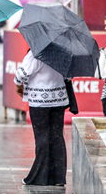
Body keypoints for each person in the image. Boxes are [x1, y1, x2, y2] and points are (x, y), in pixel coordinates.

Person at [14, 50, 68, 186]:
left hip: (39, 102)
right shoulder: (63, 52)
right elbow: (69, 76)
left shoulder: (36, 52)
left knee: (42, 137)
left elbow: (21, 73)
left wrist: (18, 85)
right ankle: (58, 178)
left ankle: (41, 177)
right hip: (59, 99)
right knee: (57, 137)